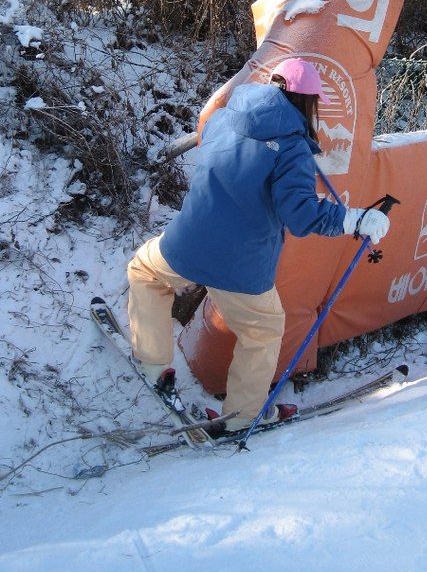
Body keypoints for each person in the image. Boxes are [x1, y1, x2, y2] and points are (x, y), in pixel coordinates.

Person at [126, 57, 390, 434]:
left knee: (144, 272)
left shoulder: (222, 119)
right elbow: (300, 216)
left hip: (188, 242)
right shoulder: (293, 149)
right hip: (241, 265)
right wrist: (356, 219)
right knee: (263, 330)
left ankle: (152, 363)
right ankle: (243, 416)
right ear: (308, 103)